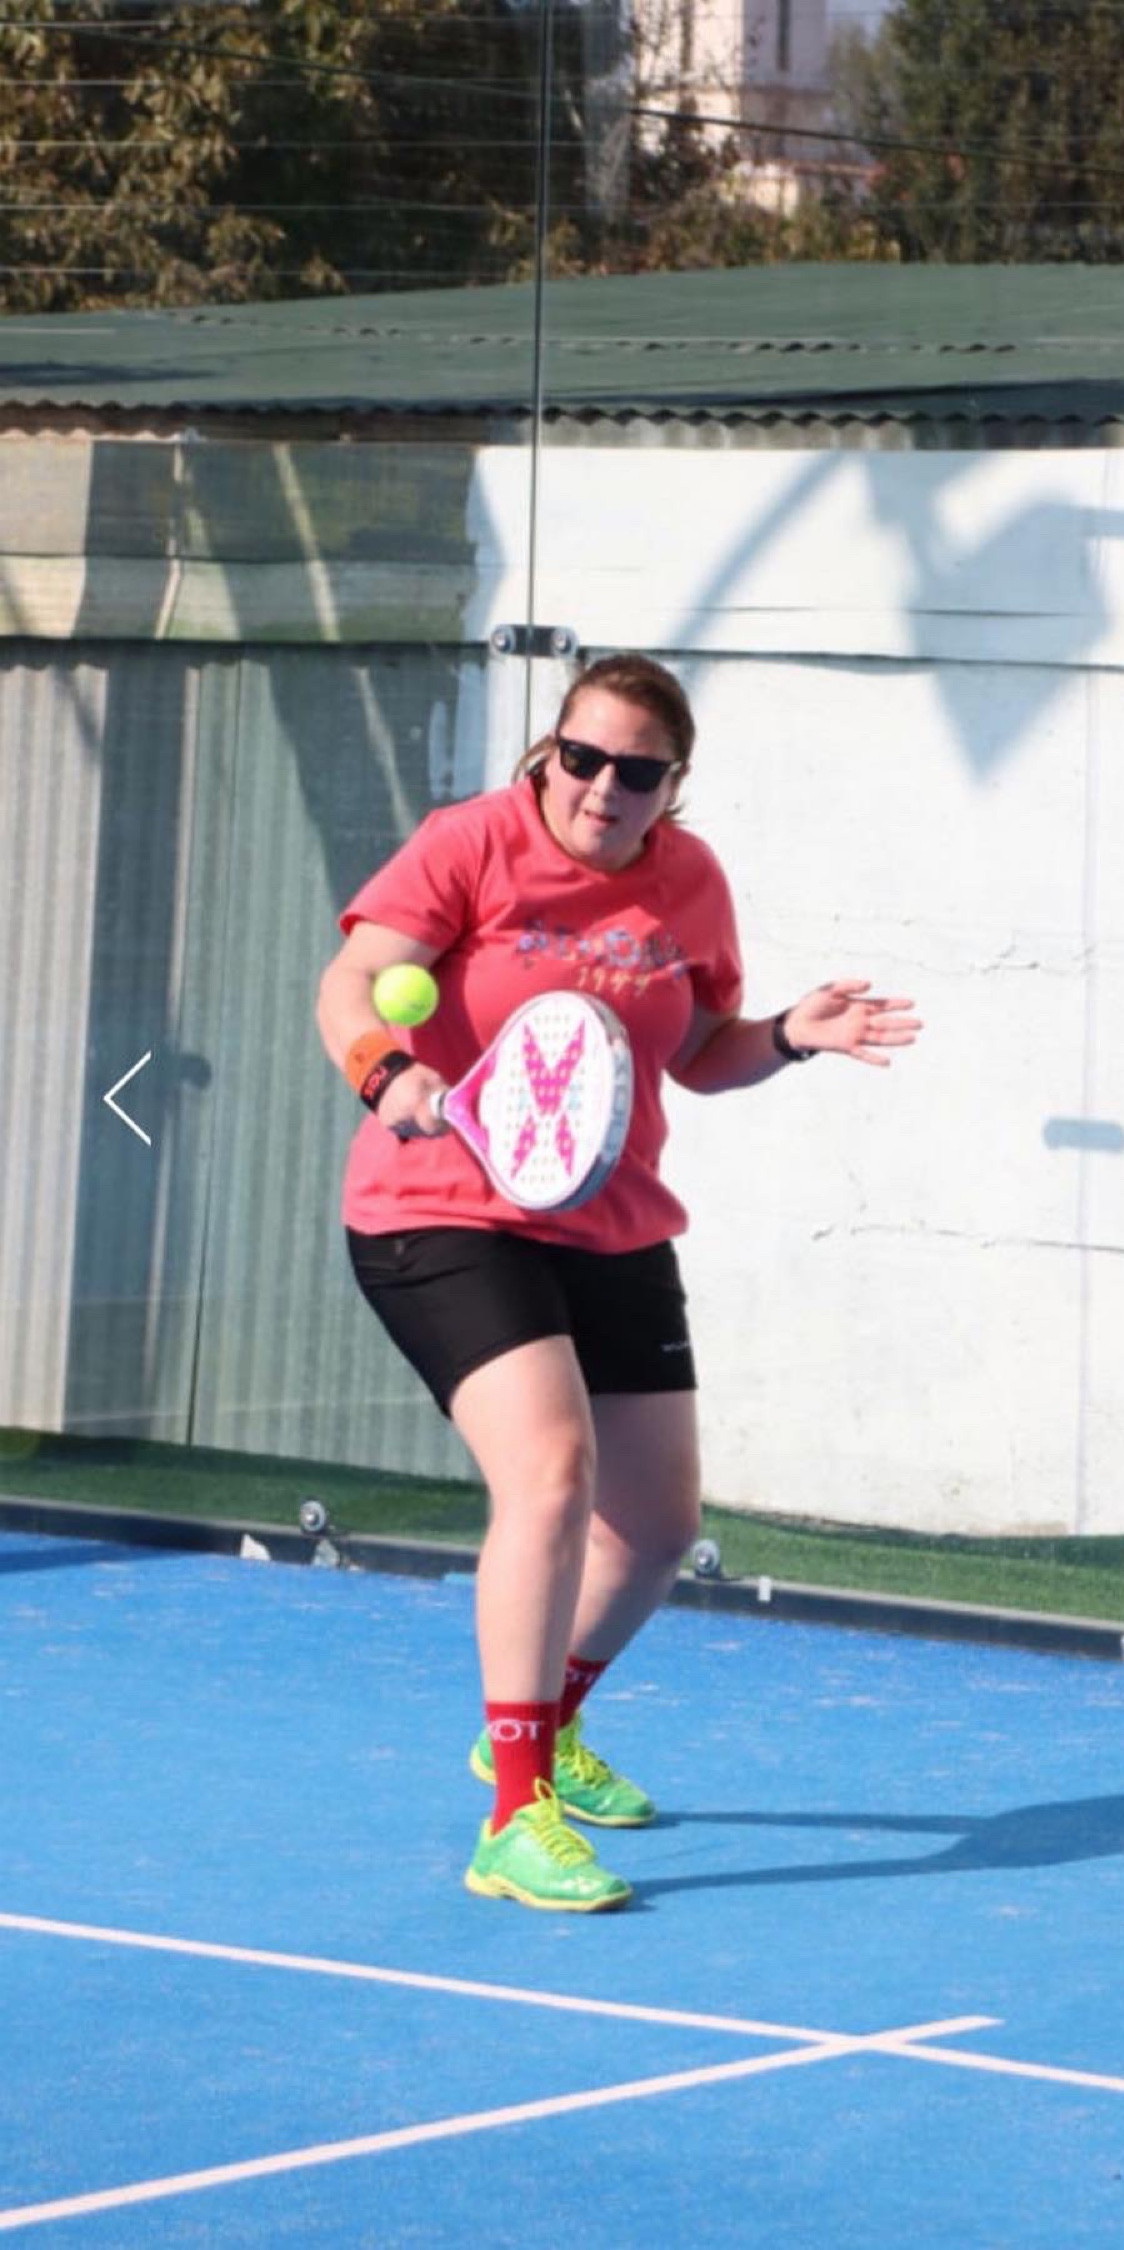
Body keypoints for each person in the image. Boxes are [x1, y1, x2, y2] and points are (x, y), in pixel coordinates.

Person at [316, 653, 920, 1912]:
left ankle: (542, 1721)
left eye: (636, 773)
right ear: (549, 753)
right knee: (551, 1476)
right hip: (444, 1212)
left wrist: (789, 1038)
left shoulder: (689, 882)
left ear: (672, 786)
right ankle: (513, 1815)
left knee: (654, 1531)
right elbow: (352, 980)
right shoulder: (471, 843)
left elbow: (698, 1051)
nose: (602, 788)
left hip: (610, 1218)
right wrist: (385, 1069)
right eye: (581, 758)